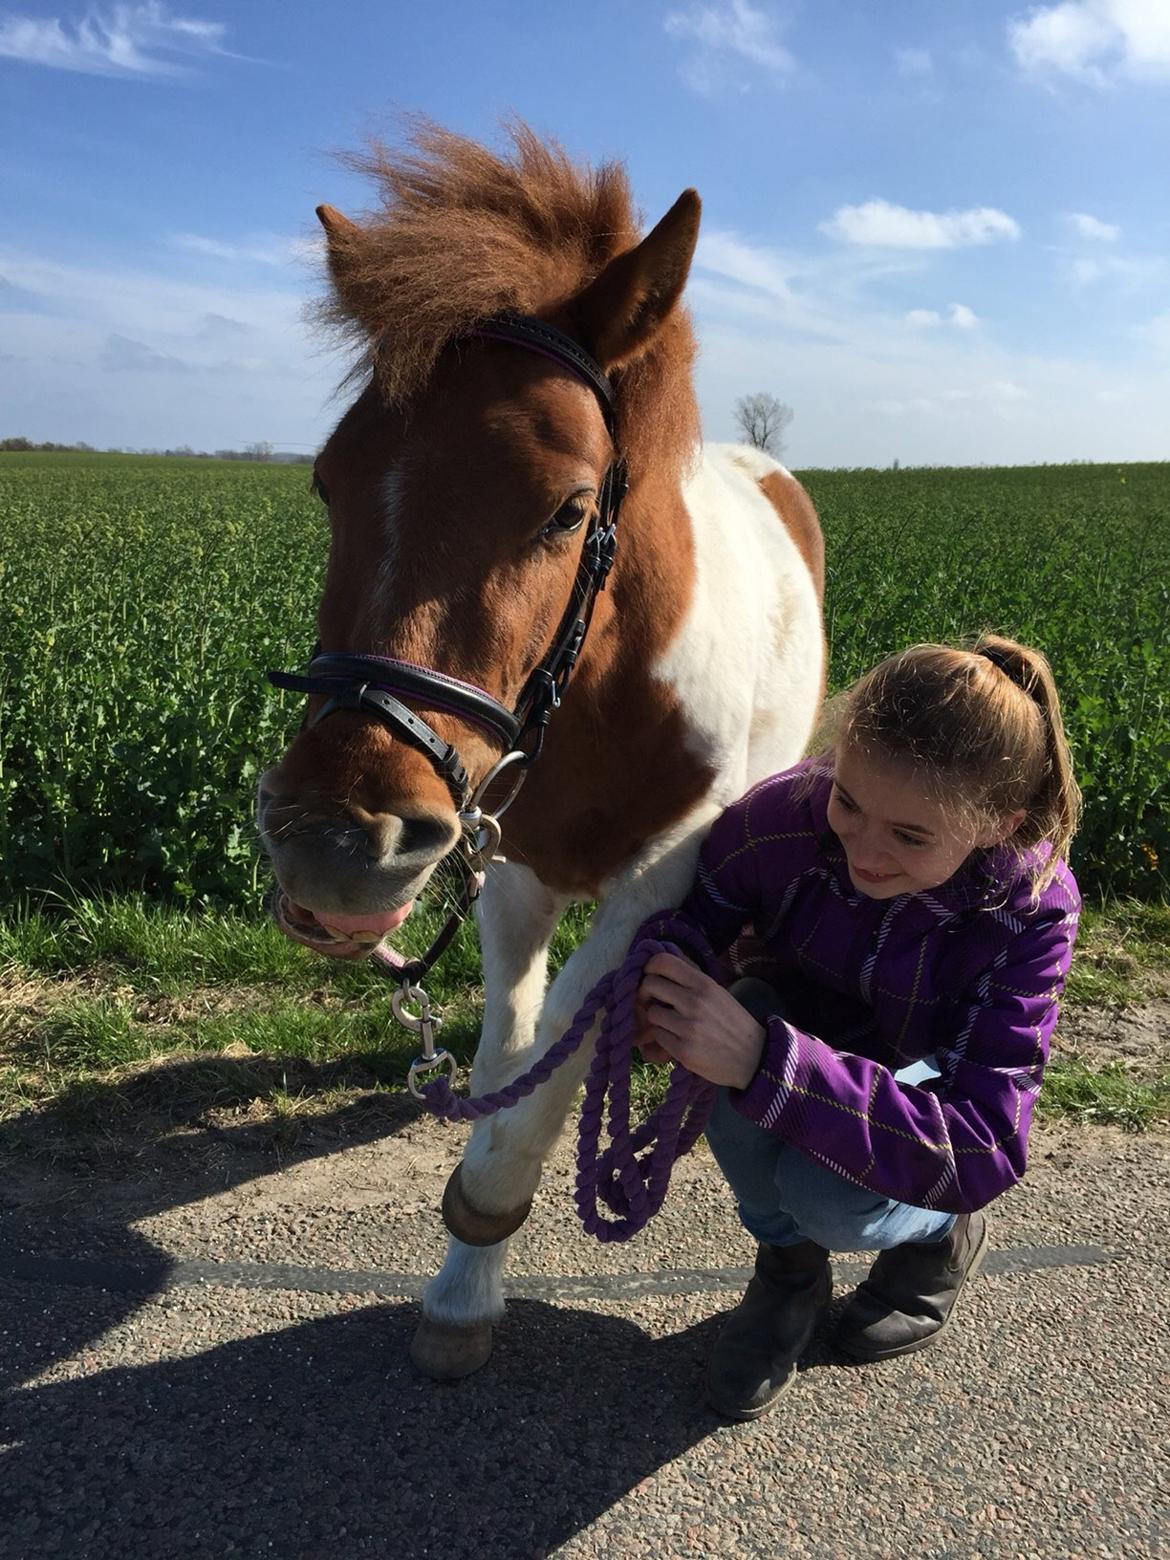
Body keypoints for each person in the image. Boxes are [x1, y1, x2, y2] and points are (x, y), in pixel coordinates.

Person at [632, 635, 1082, 1421]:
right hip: (802, 1037)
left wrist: (768, 1063)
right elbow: (697, 918)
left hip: (925, 1091)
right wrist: (663, 983)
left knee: (828, 1197)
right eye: (848, 800)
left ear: (997, 825)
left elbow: (986, 1143)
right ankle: (789, 1274)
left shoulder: (1030, 911)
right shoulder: (783, 817)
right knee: (728, 1069)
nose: (864, 851)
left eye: (911, 836)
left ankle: (942, 1231)